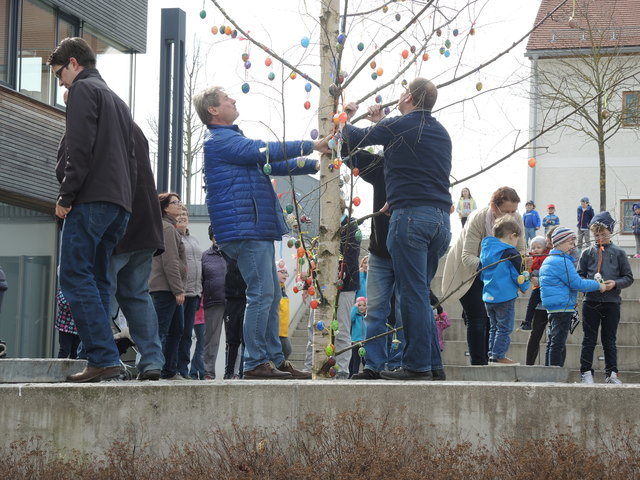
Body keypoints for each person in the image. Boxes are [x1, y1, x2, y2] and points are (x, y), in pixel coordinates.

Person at [194, 86, 323, 379]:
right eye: (227, 98)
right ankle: (254, 362)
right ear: (213, 110)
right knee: (262, 293)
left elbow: (274, 163)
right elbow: (264, 150)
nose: (234, 99)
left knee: (271, 293)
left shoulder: (231, 141)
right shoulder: (219, 140)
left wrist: (315, 163)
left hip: (252, 226)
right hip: (245, 228)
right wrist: (312, 145)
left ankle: (274, 360)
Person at [341, 77, 452, 381]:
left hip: (411, 220)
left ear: (408, 98)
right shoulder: (440, 133)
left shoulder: (403, 125)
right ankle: (432, 364)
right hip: (441, 221)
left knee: (411, 295)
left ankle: (417, 366)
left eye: (403, 94)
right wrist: (384, 125)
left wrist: (346, 115)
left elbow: (353, 138)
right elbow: (402, 157)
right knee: (416, 293)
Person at [49, 37, 136, 383]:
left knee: (73, 276)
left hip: (90, 200)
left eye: (59, 75)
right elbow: (130, 159)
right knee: (99, 281)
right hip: (119, 204)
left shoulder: (84, 91)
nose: (60, 84)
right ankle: (104, 358)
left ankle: (101, 357)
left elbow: (78, 150)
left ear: (73, 63)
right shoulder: (116, 99)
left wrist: (65, 197)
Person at [442, 186, 527, 366]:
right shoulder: (478, 218)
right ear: (494, 207)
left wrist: (520, 274)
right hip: (469, 271)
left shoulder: (516, 219)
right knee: (478, 317)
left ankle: (492, 358)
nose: (511, 216)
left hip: (497, 273)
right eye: (506, 211)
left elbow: (520, 250)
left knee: (494, 318)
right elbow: (467, 256)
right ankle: (478, 364)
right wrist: (490, 267)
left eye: (514, 211)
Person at [109, 123, 166, 381]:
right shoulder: (132, 127)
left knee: (101, 290)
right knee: (137, 295)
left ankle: (97, 356)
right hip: (146, 223)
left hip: (118, 221)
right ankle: (152, 359)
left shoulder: (92, 121)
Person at [341, 150, 403, 380]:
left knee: (403, 310)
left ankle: (400, 363)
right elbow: (347, 153)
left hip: (407, 251)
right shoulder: (381, 166)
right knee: (375, 311)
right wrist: (349, 118)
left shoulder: (418, 167)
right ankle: (374, 365)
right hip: (379, 251)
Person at [578, 212, 634, 384]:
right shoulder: (587, 252)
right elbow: (579, 277)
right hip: (591, 301)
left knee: (609, 339)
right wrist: (591, 284)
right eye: (596, 235)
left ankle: (611, 373)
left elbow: (628, 277)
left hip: (612, 302)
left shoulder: (619, 253)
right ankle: (586, 372)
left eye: (603, 234)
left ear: (610, 231)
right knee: (589, 338)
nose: (600, 237)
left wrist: (614, 284)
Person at [539, 227, 605, 367]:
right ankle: (555, 373)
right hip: (562, 307)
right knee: (558, 342)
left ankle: (548, 372)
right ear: (560, 243)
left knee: (552, 341)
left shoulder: (549, 259)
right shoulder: (562, 261)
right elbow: (577, 283)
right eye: (570, 242)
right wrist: (598, 285)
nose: (573, 246)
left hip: (554, 307)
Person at [479, 216, 530, 365]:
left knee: (494, 327)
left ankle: (492, 355)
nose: (516, 243)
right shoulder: (510, 253)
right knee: (505, 328)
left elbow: (480, 272)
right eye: (517, 239)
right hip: (505, 296)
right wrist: (525, 285)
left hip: (489, 296)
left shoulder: (485, 251)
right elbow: (518, 274)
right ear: (512, 236)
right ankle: (499, 355)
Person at [149, 192, 186, 380]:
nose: (180, 205)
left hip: (168, 288)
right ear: (165, 208)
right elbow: (170, 261)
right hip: (165, 289)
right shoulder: (168, 229)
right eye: (175, 202)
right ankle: (156, 367)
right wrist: (178, 289)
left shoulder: (169, 227)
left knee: (176, 329)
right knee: (162, 330)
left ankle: (169, 369)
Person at [175, 209, 203, 379]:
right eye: (179, 214)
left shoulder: (193, 239)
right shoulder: (172, 237)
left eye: (185, 213)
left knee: (187, 334)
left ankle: (183, 370)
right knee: (176, 332)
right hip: (179, 293)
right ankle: (172, 367)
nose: (183, 216)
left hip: (194, 293)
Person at [201, 226, 227, 380]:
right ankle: (208, 372)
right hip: (213, 302)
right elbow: (201, 279)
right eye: (215, 235)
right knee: (211, 339)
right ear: (211, 237)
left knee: (234, 339)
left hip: (232, 301)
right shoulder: (204, 256)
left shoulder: (233, 254)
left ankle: (233, 371)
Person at [518, 236, 547, 331]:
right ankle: (527, 322)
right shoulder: (530, 258)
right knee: (531, 304)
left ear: (544, 248)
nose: (536, 250)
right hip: (536, 286)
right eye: (533, 248)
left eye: (539, 247)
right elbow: (528, 272)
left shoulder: (546, 257)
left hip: (545, 286)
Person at [222, 258, 245, 379]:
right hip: (231, 300)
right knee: (232, 340)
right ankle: (229, 372)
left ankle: (243, 372)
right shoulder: (228, 252)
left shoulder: (247, 254)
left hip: (245, 299)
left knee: (245, 338)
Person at [55, 288, 80, 359]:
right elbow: (63, 304)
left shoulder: (83, 289)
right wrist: (78, 302)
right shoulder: (64, 288)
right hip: (65, 328)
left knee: (76, 353)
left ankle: (74, 370)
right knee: (64, 351)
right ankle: (59, 369)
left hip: (79, 328)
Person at [276, 260, 292, 360]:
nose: (285, 275)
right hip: (276, 332)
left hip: (283, 331)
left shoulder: (283, 290)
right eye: (282, 272)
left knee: (287, 350)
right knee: (286, 350)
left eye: (286, 272)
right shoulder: (273, 289)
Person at [349, 297, 367, 377]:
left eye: (364, 305)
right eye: (359, 305)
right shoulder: (355, 317)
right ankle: (354, 374)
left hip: (365, 342)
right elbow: (350, 318)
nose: (361, 307)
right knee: (355, 360)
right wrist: (354, 307)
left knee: (365, 360)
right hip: (356, 341)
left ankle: (367, 373)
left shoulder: (367, 317)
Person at [189, 300, 206, 379]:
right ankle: (202, 373)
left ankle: (193, 372)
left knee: (199, 347)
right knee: (201, 347)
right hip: (200, 318)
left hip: (199, 318)